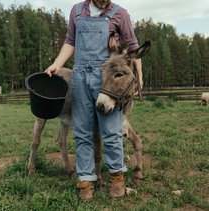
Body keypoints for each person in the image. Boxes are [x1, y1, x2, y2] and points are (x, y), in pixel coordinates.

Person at [45, 0, 142, 201]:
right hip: (80, 78)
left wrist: (139, 77)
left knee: (111, 132)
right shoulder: (77, 11)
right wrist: (57, 64)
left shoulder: (119, 13)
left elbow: (133, 46)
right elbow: (70, 41)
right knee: (82, 133)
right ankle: (86, 181)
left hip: (106, 79)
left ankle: (117, 177)